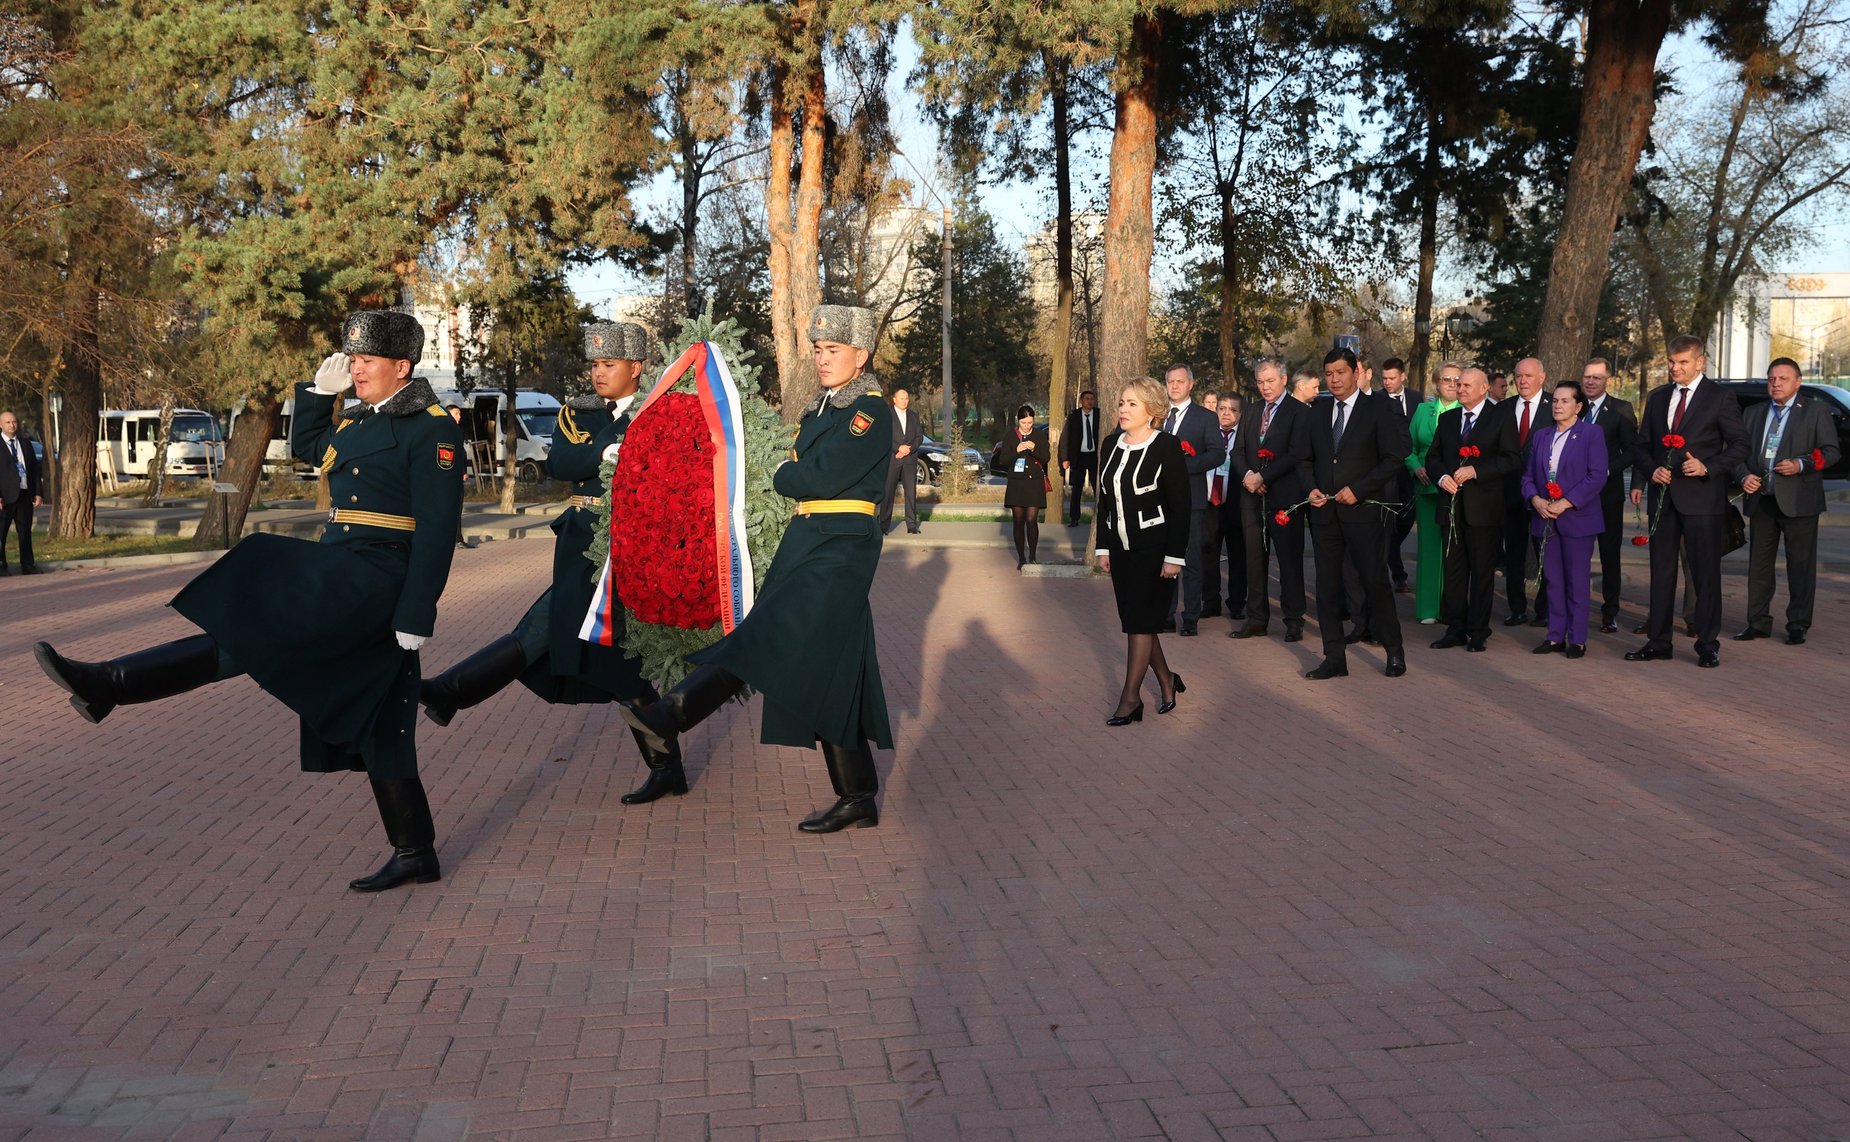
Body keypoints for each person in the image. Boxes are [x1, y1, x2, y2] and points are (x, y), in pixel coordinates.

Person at [35, 310, 465, 892]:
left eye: (365, 361)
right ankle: (416, 851)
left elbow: (438, 529)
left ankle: (113, 683)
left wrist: (418, 611)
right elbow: (312, 447)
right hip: (344, 564)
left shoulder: (432, 427)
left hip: (377, 577)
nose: (355, 368)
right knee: (383, 716)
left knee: (259, 602)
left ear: (401, 367)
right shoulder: (363, 418)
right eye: (353, 359)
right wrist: (317, 394)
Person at [620, 304, 893, 833]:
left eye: (833, 350)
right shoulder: (822, 409)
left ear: (861, 356)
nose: (823, 359)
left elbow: (816, 476)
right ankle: (857, 795)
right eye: (818, 350)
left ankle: (672, 714)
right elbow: (802, 474)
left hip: (842, 547)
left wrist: (790, 474)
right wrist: (794, 474)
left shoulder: (871, 412)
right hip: (808, 541)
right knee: (830, 669)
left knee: (768, 634)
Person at [417, 320, 685, 803]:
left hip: (626, 546)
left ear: (636, 368)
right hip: (581, 544)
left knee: (559, 635)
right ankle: (666, 764)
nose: (599, 373)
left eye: (610, 364)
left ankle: (450, 691)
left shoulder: (659, 412)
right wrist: (605, 449)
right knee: (583, 644)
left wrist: (608, 449)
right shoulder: (578, 412)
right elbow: (563, 463)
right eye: (595, 365)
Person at [1626, 335, 1747, 668]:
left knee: (1705, 572)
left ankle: (1708, 643)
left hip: (1703, 500)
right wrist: (1651, 471)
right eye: (1670, 361)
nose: (1674, 368)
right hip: (1663, 499)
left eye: (1681, 362)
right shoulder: (1659, 397)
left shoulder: (1720, 397)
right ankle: (1659, 640)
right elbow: (1642, 445)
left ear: (1699, 362)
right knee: (1661, 571)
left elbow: (1739, 446)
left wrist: (1707, 466)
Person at [1303, 347, 1410, 679]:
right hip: (1324, 514)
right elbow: (1305, 459)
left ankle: (1394, 652)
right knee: (1327, 586)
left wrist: (1360, 489)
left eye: (1341, 372)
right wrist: (1311, 488)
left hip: (1363, 512)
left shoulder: (1378, 408)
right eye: (1329, 373)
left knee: (1375, 581)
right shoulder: (1317, 411)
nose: (1334, 379)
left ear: (1356, 372)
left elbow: (1395, 457)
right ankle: (1334, 657)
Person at [1094, 376, 1192, 725]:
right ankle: (1167, 679)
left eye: (1132, 403)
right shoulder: (1110, 444)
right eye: (1122, 402)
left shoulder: (1166, 445)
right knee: (1141, 623)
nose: (1123, 409)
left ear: (1152, 411)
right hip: (1120, 549)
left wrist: (1174, 557)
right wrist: (1102, 547)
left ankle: (1130, 699)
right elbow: (1104, 501)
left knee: (1139, 625)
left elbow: (1181, 507)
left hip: (1155, 550)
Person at [1732, 357, 1841, 646]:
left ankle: (1798, 623)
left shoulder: (1815, 411)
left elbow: (1831, 452)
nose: (1776, 384)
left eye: (1782, 379)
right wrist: (1743, 476)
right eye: (1771, 379)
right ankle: (1757, 622)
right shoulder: (1753, 413)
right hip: (1762, 499)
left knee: (1800, 565)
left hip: (1799, 500)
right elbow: (1738, 452)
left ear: (1797, 382)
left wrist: (1801, 465)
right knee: (1759, 565)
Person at [1427, 367, 1519, 653]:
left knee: (1481, 572)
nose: (1460, 388)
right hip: (1451, 507)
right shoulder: (1448, 418)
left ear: (1483, 389)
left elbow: (1511, 459)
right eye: (1457, 383)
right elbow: (1433, 457)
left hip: (1484, 508)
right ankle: (1455, 627)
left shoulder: (1500, 417)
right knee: (1453, 571)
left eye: (1466, 384)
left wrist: (1476, 470)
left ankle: (1478, 630)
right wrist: (1442, 478)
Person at [1520, 381, 1608, 657]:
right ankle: (1555, 635)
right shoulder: (1542, 436)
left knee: (1576, 581)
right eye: (1555, 401)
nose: (1558, 406)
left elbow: (1596, 475)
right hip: (1545, 517)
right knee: (1553, 580)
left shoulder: (1591, 433)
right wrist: (1536, 500)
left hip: (1577, 519)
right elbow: (1527, 477)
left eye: (1565, 401)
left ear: (1578, 406)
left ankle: (1577, 638)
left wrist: (1566, 503)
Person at [1232, 359, 1311, 643]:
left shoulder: (1299, 411)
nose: (1265, 387)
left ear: (1284, 379)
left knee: (1289, 560)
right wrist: (1249, 477)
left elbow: (1297, 453)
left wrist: (1264, 477)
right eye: (1261, 382)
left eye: (1270, 381)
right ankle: (1256, 619)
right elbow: (1237, 451)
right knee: (1254, 560)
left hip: (1284, 497)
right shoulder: (1252, 411)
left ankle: (1293, 619)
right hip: (1252, 498)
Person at [1159, 365, 1225, 635]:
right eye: (1170, 381)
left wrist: (1184, 466)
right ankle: (1165, 614)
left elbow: (1217, 454)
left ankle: (1190, 618)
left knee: (1191, 560)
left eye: (1179, 381)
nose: (1174, 386)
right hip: (1159, 499)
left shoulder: (1205, 417)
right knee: (1163, 558)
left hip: (1192, 499)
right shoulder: (1158, 415)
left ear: (1190, 384)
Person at [1580, 358, 1637, 632]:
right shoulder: (1573, 407)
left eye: (1597, 378)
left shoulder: (1620, 410)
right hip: (1575, 496)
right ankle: (1575, 606)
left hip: (1607, 495)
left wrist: (1605, 471)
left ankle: (1610, 610)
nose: (1591, 382)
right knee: (1578, 553)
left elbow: (1633, 450)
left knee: (1609, 555)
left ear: (1607, 381)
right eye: (1587, 377)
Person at [1405, 363, 1460, 624]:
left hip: (1460, 492)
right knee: (1429, 548)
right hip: (1427, 489)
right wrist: (1416, 469)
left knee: (1456, 550)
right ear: (1436, 383)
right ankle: (1428, 608)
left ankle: (1453, 607)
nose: (1451, 383)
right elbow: (1408, 447)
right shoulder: (1422, 410)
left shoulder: (1468, 412)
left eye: (1456, 380)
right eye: (1445, 379)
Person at [1502, 357, 1550, 628]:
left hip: (1543, 494)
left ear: (1541, 378)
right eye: (1518, 376)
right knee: (1514, 554)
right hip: (1511, 492)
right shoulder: (1504, 408)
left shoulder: (1554, 405)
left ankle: (1543, 609)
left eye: (1528, 376)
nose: (1522, 381)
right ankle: (1517, 608)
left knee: (1544, 552)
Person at [1201, 392, 1245, 622]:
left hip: (1235, 503)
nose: (1226, 413)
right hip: (1210, 502)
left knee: (1238, 554)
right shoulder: (1208, 435)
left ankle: (1237, 602)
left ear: (1240, 413)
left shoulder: (1243, 438)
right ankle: (1210, 601)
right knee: (1208, 552)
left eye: (1233, 409)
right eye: (1222, 408)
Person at [991, 404, 1050, 568]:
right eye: (1024, 423)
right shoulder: (1011, 436)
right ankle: (1021, 558)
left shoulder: (1038, 435)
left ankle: (1032, 556)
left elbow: (1046, 457)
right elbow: (1003, 460)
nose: (1027, 426)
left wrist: (1034, 448)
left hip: (1034, 483)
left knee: (1032, 520)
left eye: (1030, 422)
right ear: (1019, 421)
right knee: (1018, 520)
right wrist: (1017, 449)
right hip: (1017, 483)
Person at [1379, 357, 1420, 592]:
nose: (1387, 383)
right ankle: (1398, 573)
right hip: (1388, 471)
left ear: (1402, 376)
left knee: (1405, 520)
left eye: (1392, 378)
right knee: (1388, 523)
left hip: (1411, 469)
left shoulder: (1416, 398)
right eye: (1384, 378)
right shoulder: (1376, 400)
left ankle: (1390, 556)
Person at [1, 409, 44, 576]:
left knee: (25, 531)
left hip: (24, 494)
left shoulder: (25, 443)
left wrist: (38, 492)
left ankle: (27, 564)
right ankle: (2, 564)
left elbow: (34, 469)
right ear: (1, 425)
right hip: (4, 497)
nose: (12, 425)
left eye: (14, 422)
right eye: (8, 422)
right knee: (1, 532)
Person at [878, 387, 923, 535]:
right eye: (902, 398)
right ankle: (883, 526)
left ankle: (911, 525)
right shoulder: (887, 414)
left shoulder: (913, 415)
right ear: (894, 400)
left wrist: (909, 449)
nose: (905, 401)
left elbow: (919, 437)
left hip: (910, 460)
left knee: (910, 492)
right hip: (893, 459)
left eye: (907, 398)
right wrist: (898, 449)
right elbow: (883, 435)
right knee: (888, 493)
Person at [1060, 390, 1101, 526]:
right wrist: (1065, 458)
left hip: (1095, 457)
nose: (1090, 401)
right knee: (1077, 488)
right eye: (1087, 399)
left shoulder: (1099, 415)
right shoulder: (1074, 416)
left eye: (1092, 399)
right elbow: (1065, 438)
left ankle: (1101, 516)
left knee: (1098, 487)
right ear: (1081, 401)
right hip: (1079, 457)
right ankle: (1074, 518)